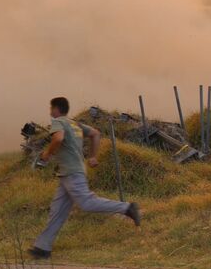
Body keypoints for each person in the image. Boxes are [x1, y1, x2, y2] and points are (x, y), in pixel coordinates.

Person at [28, 97, 140, 259]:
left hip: (72, 172)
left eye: (51, 108)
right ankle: (42, 248)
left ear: (56, 109)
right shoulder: (75, 124)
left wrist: (46, 154)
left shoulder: (58, 121)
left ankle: (127, 208)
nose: (50, 112)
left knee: (86, 202)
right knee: (57, 211)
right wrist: (93, 156)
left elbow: (58, 138)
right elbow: (95, 133)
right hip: (69, 172)